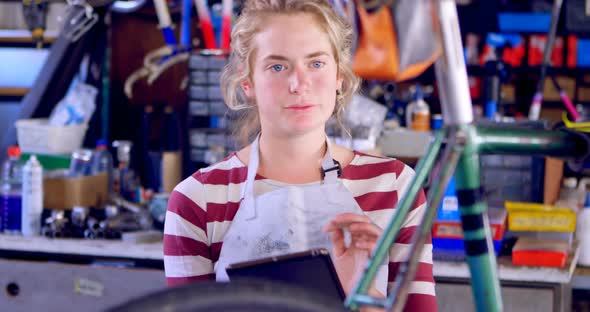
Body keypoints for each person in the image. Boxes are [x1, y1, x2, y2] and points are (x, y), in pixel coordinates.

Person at [164, 0, 436, 310]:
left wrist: (362, 296)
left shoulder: (394, 186)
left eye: (316, 63)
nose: (298, 84)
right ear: (247, 83)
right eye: (277, 66)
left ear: (339, 76)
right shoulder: (197, 199)